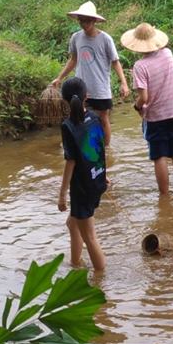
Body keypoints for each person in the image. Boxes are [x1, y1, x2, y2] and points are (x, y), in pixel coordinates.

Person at [51, 1, 130, 147]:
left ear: (94, 21)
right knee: (79, 116)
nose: (84, 24)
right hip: (81, 87)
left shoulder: (105, 39)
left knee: (103, 118)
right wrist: (60, 77)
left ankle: (106, 150)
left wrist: (124, 83)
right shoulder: (76, 37)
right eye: (81, 20)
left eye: (87, 20)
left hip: (100, 87)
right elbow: (73, 59)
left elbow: (115, 62)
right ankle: (82, 146)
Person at [122, 22, 173, 195]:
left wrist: (136, 106)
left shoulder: (140, 66)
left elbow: (144, 98)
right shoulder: (168, 54)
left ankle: (164, 195)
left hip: (156, 116)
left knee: (159, 156)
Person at [57, 77, 107, 271]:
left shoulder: (68, 126)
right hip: (97, 180)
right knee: (72, 223)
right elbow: (99, 148)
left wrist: (62, 195)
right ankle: (75, 263)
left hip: (82, 188)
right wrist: (102, 174)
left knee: (91, 238)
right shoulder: (94, 117)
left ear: (64, 100)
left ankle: (101, 280)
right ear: (87, 96)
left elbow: (71, 162)